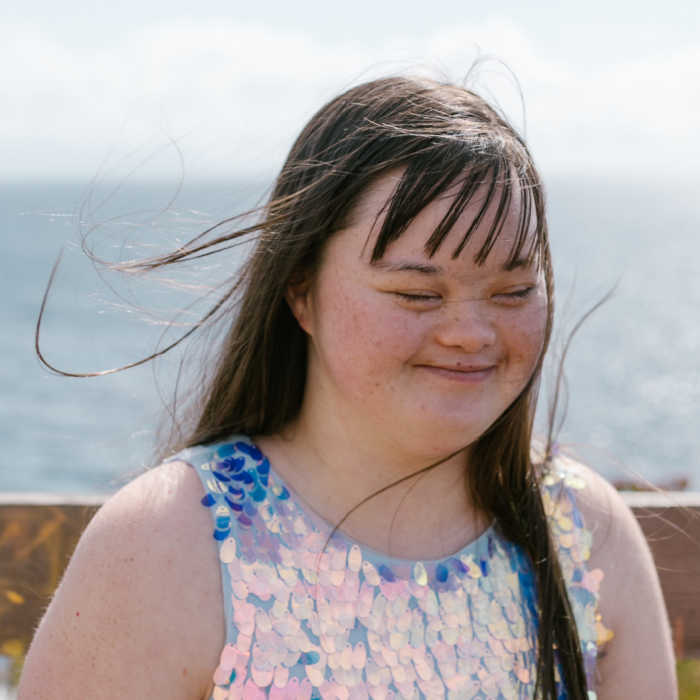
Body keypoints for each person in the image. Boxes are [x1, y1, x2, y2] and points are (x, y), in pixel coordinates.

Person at [18, 75, 676, 699]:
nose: (472, 332)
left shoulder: (584, 529)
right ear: (301, 291)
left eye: (513, 292)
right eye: (418, 293)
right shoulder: (166, 541)